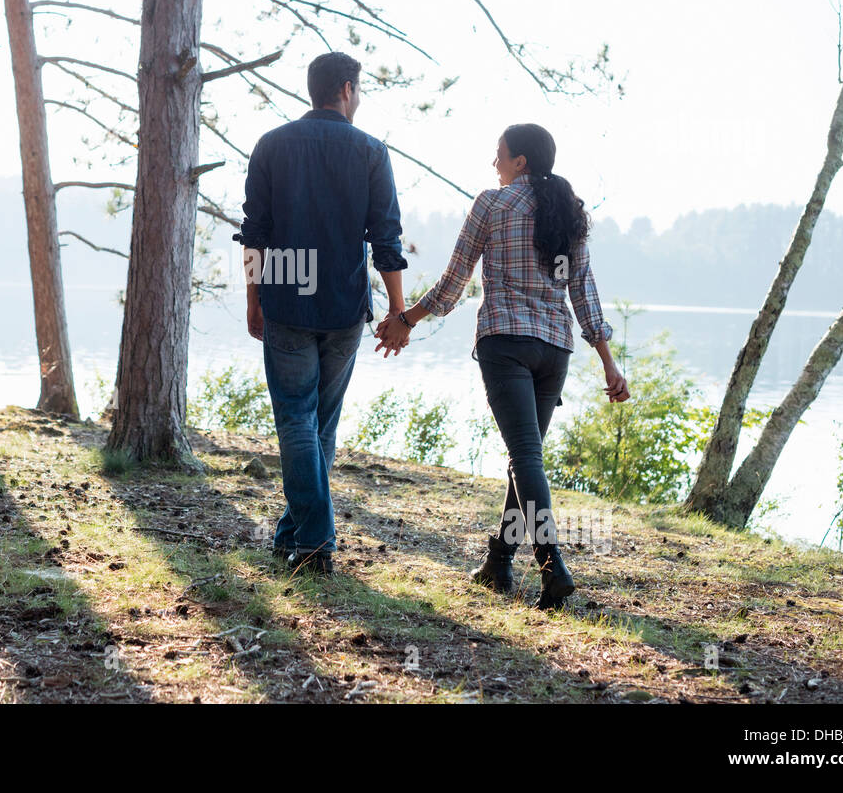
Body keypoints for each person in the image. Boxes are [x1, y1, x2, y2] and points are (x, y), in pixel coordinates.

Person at [374, 123, 628, 608]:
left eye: (499, 155)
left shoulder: (493, 204)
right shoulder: (569, 213)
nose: (494, 164)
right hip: (555, 351)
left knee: (525, 459)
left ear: (520, 162)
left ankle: (552, 568)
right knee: (525, 458)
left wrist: (406, 318)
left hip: (507, 344)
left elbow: (453, 283)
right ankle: (498, 562)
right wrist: (608, 363)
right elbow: (583, 292)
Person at [235, 52, 408, 576]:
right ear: (348, 90)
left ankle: (305, 536)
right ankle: (306, 537)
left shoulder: (271, 144)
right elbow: (387, 238)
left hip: (286, 294)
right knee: (318, 424)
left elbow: (255, 230)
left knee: (298, 420)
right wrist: (399, 311)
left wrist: (253, 297)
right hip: (342, 302)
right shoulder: (372, 151)